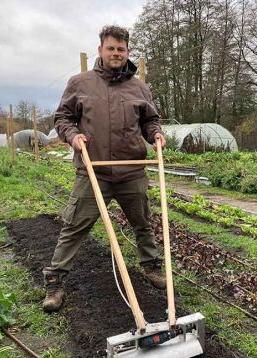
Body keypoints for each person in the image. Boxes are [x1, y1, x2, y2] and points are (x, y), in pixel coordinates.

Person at [43, 25, 167, 313]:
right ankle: (56, 281)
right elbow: (62, 117)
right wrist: (72, 136)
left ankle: (151, 267)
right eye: (111, 48)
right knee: (74, 227)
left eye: (121, 49)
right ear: (100, 50)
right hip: (94, 171)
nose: (116, 53)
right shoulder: (80, 83)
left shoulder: (139, 87)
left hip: (132, 170)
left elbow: (150, 121)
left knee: (143, 223)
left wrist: (156, 134)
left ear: (128, 52)